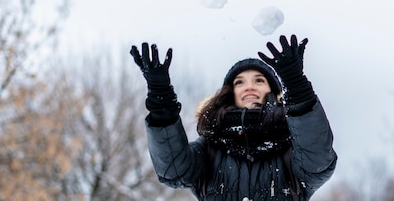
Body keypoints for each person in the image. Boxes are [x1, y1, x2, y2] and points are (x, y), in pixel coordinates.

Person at [130, 34, 337, 201]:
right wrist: (161, 96)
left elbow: (318, 160)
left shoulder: (290, 149)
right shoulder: (210, 148)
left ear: (273, 90)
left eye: (259, 80)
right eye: (240, 82)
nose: (249, 86)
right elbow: (173, 169)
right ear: (230, 92)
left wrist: (297, 87)